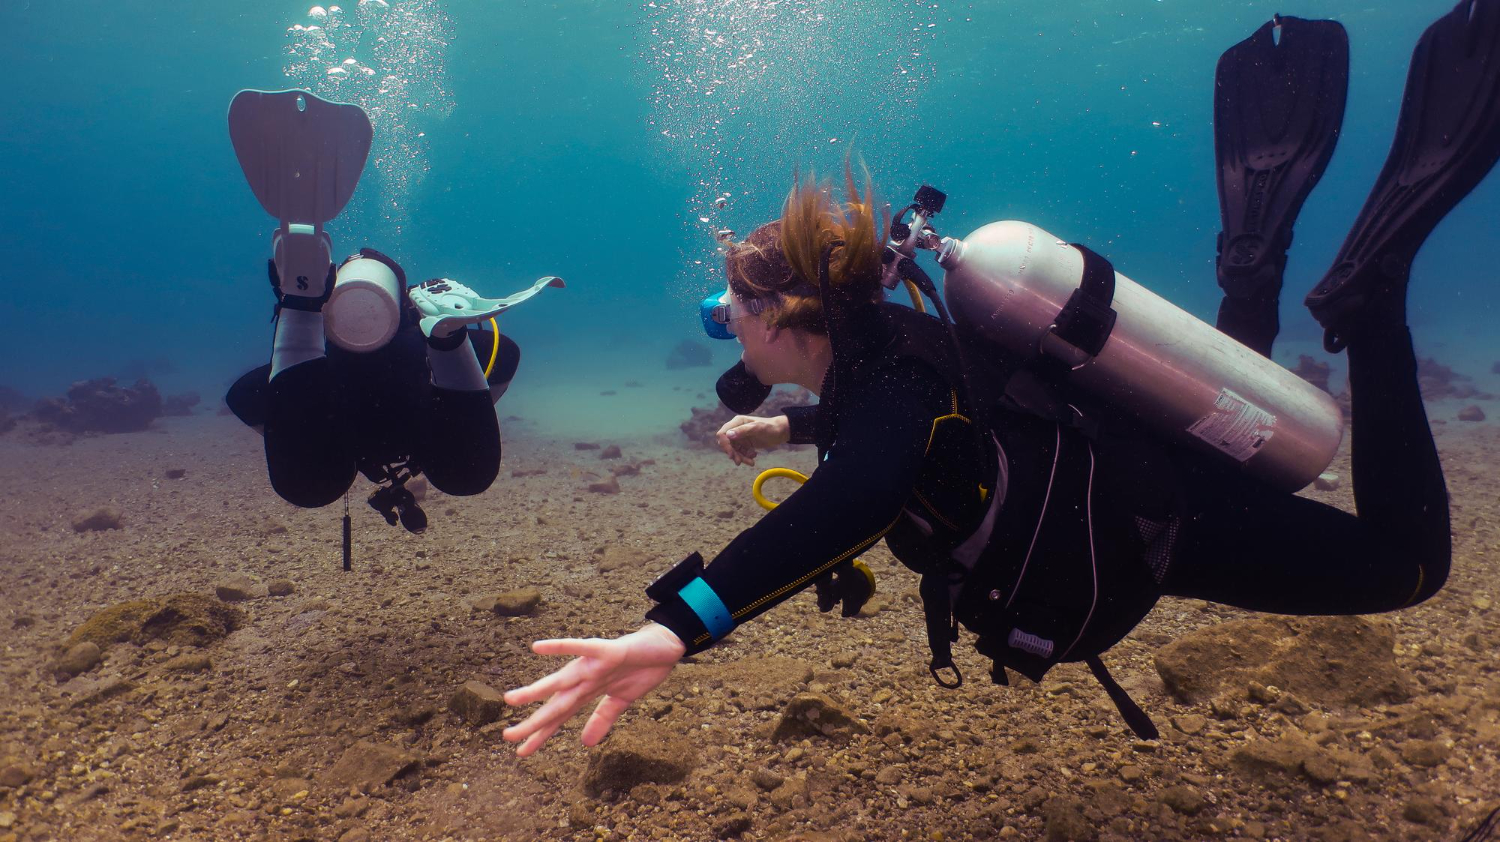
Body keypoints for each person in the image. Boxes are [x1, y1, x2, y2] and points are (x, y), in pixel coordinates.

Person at [503, 1, 1500, 755]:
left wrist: (677, 626)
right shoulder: (888, 345)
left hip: (1152, 517)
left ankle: (1373, 308)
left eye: (727, 312)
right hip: (1127, 465)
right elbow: (921, 424)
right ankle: (1254, 272)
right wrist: (787, 429)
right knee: (1241, 436)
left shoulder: (884, 381)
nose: (726, 331)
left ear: (782, 315)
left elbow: (866, 487)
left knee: (1409, 566)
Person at [222, 89, 560, 534]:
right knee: (466, 477)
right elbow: (507, 352)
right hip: (419, 386)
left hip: (332, 404)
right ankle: (449, 339)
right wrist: (447, 388)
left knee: (311, 487)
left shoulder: (328, 359)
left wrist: (298, 415)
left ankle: (300, 306)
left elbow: (242, 397)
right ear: (405, 306)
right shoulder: (416, 341)